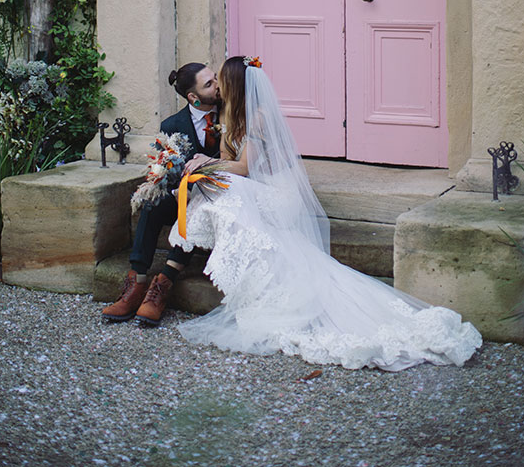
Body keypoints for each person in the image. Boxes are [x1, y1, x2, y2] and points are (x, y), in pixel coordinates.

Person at [167, 56, 483, 372]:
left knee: (227, 188)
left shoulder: (258, 117)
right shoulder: (228, 115)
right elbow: (228, 160)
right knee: (213, 187)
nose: (218, 86)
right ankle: (237, 268)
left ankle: (233, 263)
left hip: (278, 193)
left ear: (235, 84)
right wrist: (206, 164)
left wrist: (205, 165)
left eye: (220, 79)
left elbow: (243, 169)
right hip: (255, 187)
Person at [102, 62, 221, 324]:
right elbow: (168, 170)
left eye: (214, 79)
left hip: (217, 194)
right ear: (193, 97)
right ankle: (136, 284)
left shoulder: (230, 114)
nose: (217, 86)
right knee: (152, 205)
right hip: (183, 192)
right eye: (209, 84)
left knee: (192, 212)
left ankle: (162, 286)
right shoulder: (173, 125)